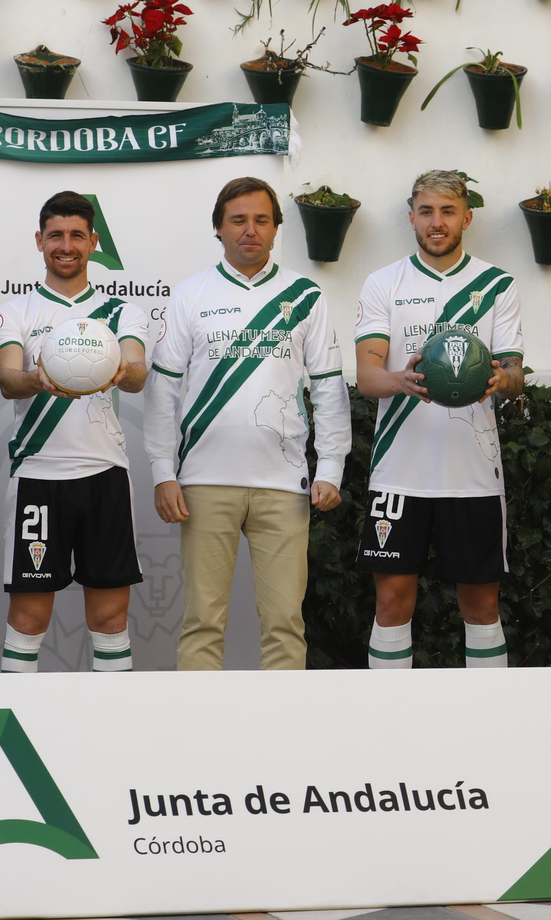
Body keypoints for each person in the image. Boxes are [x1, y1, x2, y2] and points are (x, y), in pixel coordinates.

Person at [145, 176, 350, 671]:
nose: (250, 230)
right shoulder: (191, 294)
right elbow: (163, 390)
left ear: (277, 227)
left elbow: (328, 386)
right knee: (202, 622)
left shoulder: (305, 295)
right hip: (203, 482)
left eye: (261, 220)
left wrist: (331, 468)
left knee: (284, 623)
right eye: (238, 220)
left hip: (284, 484)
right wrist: (162, 472)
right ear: (218, 227)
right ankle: (199, 720)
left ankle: (282, 723)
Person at [353, 170, 526, 669]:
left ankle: (485, 713)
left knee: (481, 606)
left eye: (448, 212)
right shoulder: (384, 282)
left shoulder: (497, 284)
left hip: (473, 474)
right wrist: (400, 381)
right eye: (426, 211)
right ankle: (391, 714)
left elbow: (515, 373)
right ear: (411, 217)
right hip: (399, 472)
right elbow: (367, 376)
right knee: (392, 602)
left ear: (466, 218)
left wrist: (500, 379)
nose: (436, 222)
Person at [0, 191, 150, 672]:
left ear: (93, 243)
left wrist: (123, 370)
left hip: (106, 474)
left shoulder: (121, 312)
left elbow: (138, 373)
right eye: (55, 235)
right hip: (38, 476)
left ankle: (110, 719)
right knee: (28, 617)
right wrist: (37, 379)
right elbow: (7, 379)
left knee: (110, 618)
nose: (66, 245)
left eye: (77, 235)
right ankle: (18, 716)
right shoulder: (14, 312)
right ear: (39, 241)